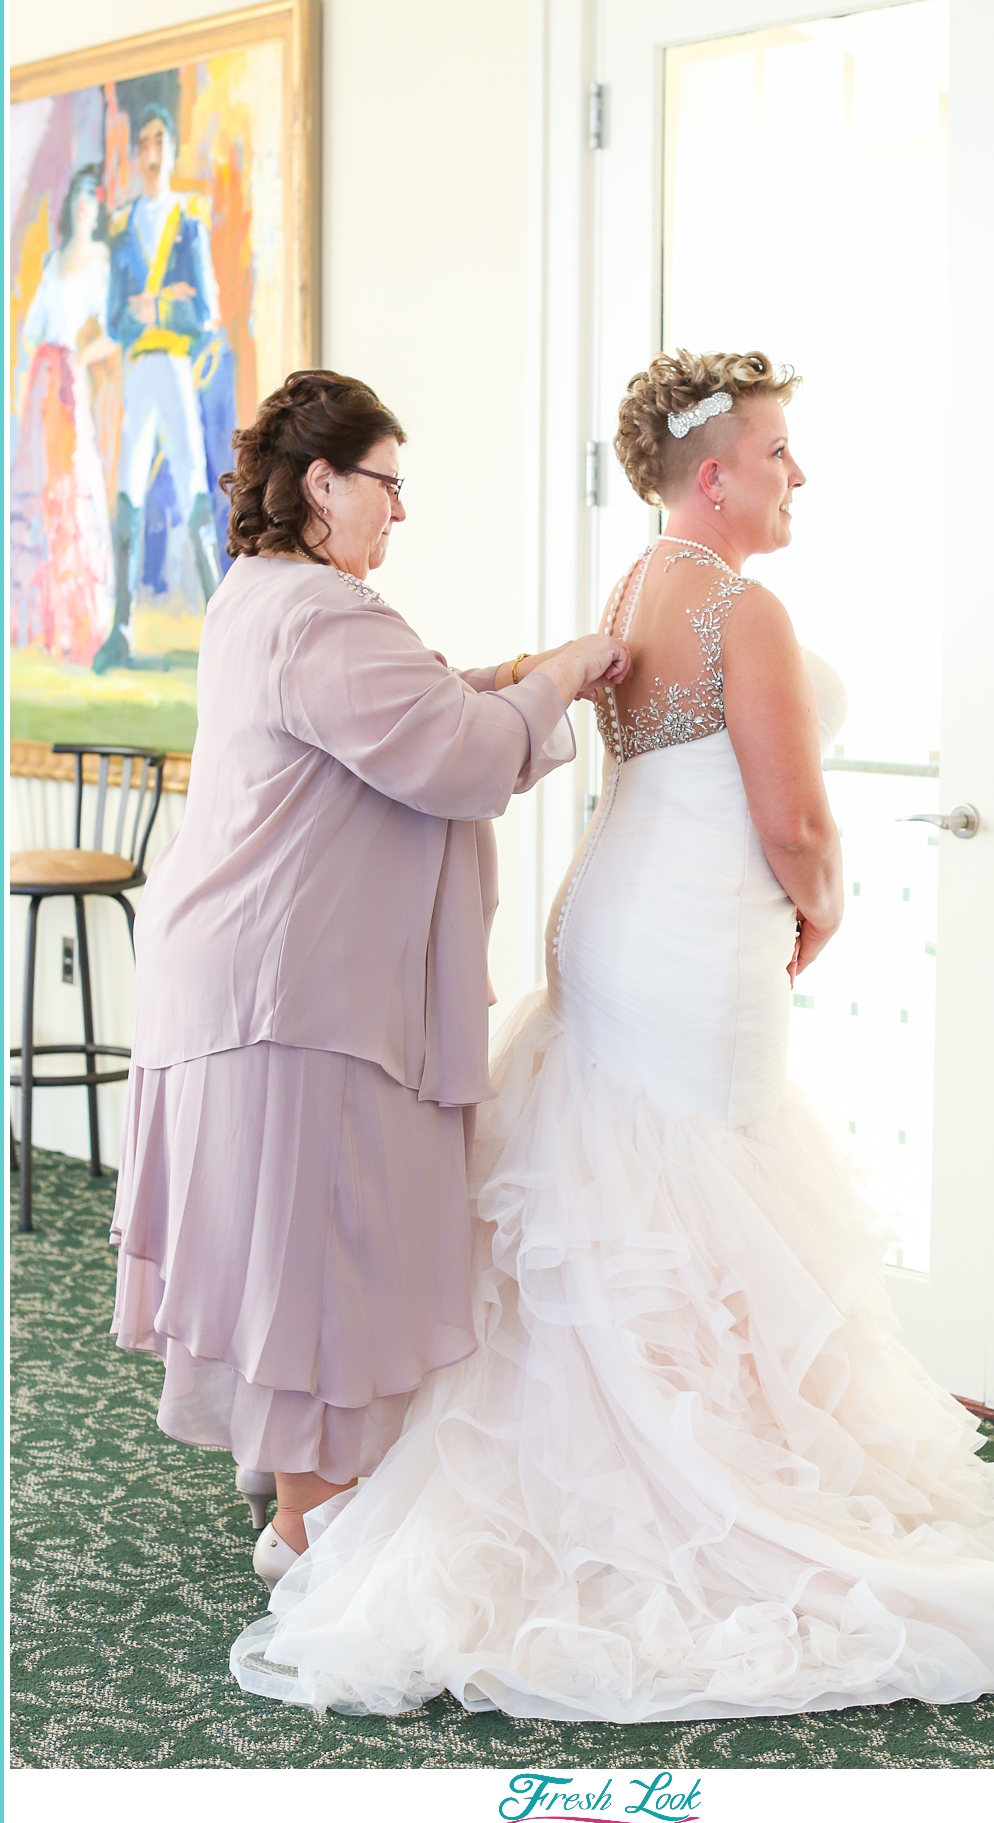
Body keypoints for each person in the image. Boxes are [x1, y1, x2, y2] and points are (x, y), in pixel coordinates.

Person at [231, 351, 994, 1721]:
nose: (797, 473)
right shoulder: (741, 603)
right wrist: (825, 904)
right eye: (780, 450)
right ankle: (704, 1480)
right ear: (716, 473)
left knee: (615, 1190)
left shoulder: (638, 584)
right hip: (690, 946)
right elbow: (795, 818)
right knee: (697, 1199)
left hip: (619, 923)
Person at [108, 368, 630, 1583]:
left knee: (283, 1242)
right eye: (388, 484)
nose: (402, 511)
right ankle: (311, 1531)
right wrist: (563, 674)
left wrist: (516, 674)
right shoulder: (322, 617)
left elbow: (419, 704)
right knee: (319, 1252)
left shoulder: (266, 594)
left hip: (255, 974)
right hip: (296, 992)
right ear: (322, 483)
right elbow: (449, 752)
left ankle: (290, 1474)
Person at [93, 103, 222, 673]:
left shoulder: (187, 220)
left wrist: (161, 306)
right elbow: (115, 321)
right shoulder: (121, 229)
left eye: (159, 141)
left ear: (170, 150)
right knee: (128, 488)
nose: (151, 153)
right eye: (143, 142)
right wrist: (140, 311)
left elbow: (205, 311)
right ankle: (120, 627)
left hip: (172, 366)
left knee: (194, 482)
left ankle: (223, 625)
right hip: (139, 369)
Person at [11, 164, 117, 667]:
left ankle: (77, 621)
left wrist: (81, 356)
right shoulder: (54, 260)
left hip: (72, 379)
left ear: (96, 210)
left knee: (73, 491)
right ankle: (37, 620)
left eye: (89, 199)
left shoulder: (101, 261)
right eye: (75, 197)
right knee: (38, 490)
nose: (81, 206)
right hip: (42, 382)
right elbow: (32, 327)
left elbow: (113, 331)